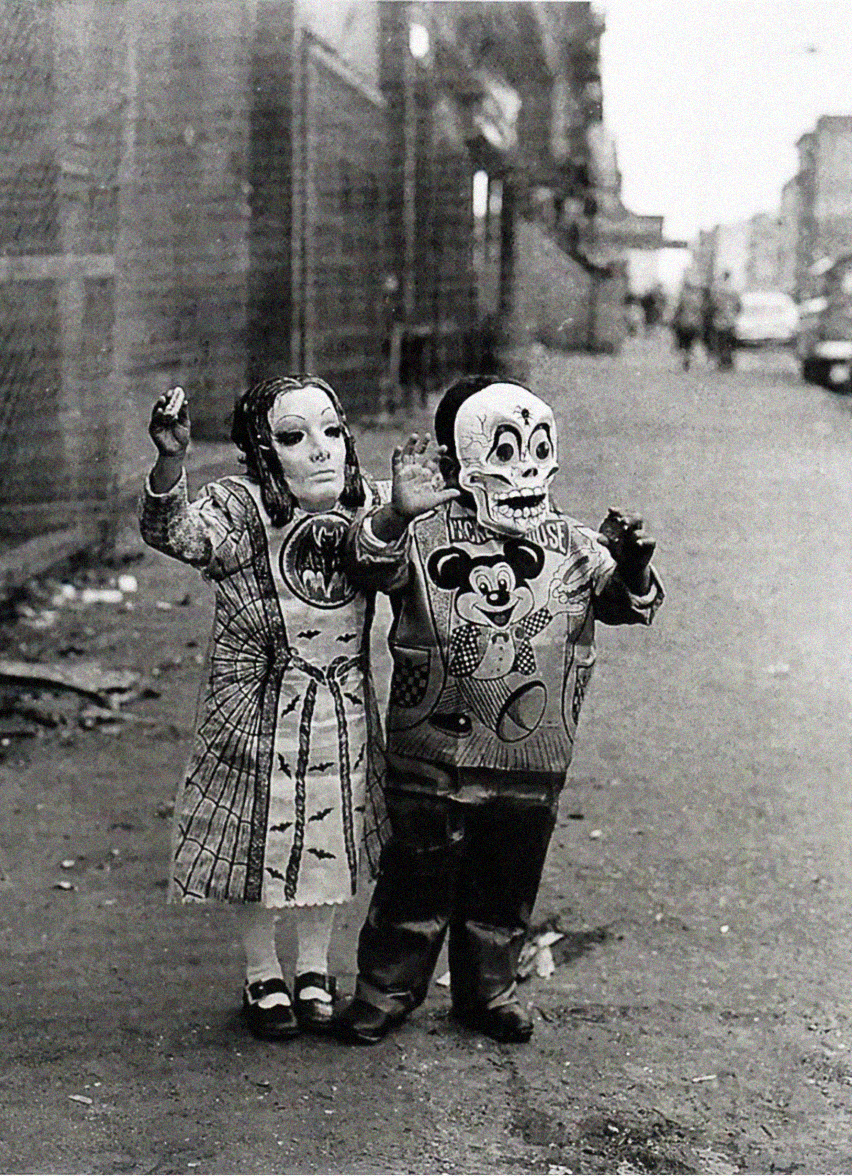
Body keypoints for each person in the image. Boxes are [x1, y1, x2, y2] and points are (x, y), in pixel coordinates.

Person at [334, 375, 663, 1046]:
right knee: (415, 879)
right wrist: (396, 513)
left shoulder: (573, 542)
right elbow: (366, 564)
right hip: (431, 746)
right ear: (457, 461)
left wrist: (630, 567)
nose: (525, 473)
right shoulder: (423, 536)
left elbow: (631, 605)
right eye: (503, 452)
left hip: (532, 754)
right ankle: (387, 987)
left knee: (505, 883)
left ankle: (490, 987)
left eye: (537, 450)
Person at [139, 376, 389, 1040]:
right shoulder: (240, 509)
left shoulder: (368, 508)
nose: (320, 450)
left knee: (331, 825)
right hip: (255, 706)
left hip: (341, 701)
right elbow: (174, 532)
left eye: (332, 431)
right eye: (293, 436)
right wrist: (172, 463)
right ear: (263, 449)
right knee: (258, 831)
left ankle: (313, 966)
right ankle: (261, 972)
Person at [671, 282, 704, 370]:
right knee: (689, 345)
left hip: (684, 324)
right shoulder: (697, 299)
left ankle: (685, 359)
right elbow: (699, 313)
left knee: (684, 344)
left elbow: (677, 311)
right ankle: (687, 358)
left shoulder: (683, 299)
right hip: (693, 324)